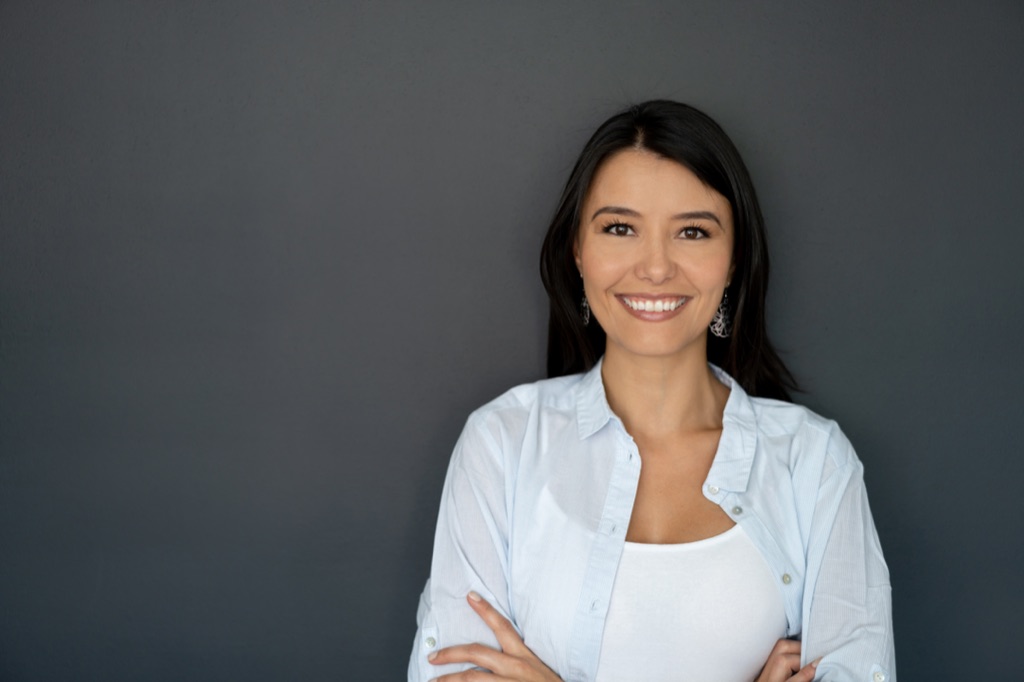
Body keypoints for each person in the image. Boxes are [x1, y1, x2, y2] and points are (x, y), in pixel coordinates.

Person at [408, 100, 895, 682]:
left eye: (693, 231)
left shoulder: (814, 465)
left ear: (734, 260)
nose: (657, 267)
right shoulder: (501, 446)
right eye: (620, 228)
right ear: (578, 251)